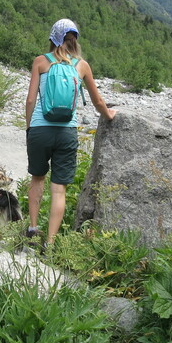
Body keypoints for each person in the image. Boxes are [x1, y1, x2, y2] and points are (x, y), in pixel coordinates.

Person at [24, 18, 117, 245]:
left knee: (37, 179)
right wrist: (109, 115)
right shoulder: (81, 66)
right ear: (75, 39)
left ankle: (33, 229)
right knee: (59, 190)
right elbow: (97, 101)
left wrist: (29, 127)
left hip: (39, 130)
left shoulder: (40, 62)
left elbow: (30, 100)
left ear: (52, 37)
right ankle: (51, 243)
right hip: (66, 131)